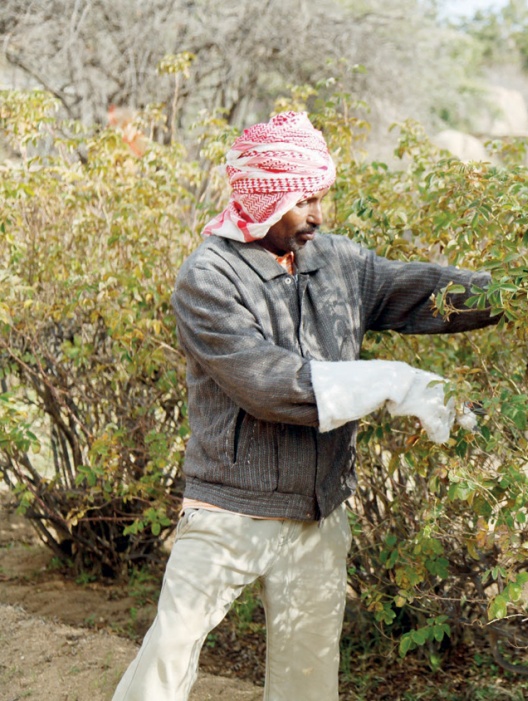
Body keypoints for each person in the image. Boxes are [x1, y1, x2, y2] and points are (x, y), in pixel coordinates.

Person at [111, 111, 500, 701]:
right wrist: (390, 380)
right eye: (303, 200)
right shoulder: (209, 278)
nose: (317, 214)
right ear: (261, 198)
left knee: (308, 680)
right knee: (169, 655)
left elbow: (419, 291)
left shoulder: (337, 261)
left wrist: (517, 293)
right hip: (228, 510)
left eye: (320, 197)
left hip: (318, 513)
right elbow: (269, 385)